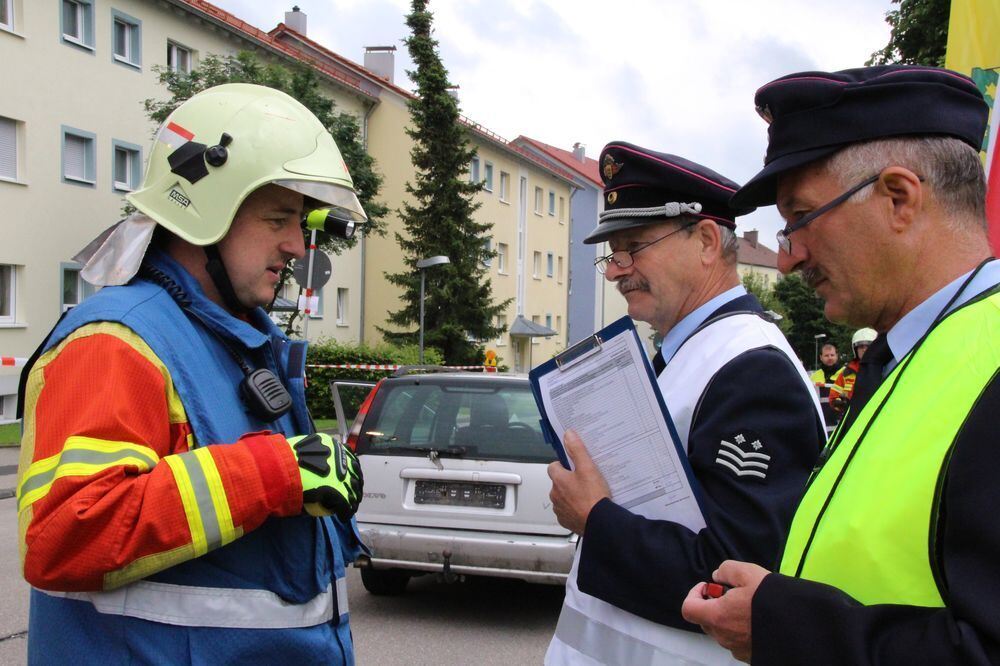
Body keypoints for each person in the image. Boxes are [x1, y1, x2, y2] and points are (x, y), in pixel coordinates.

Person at [16, 84, 370, 663]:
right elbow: (65, 534)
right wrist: (272, 474)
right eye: (278, 219)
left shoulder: (235, 337)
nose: (297, 246)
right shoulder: (117, 342)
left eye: (301, 221)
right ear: (203, 215)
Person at [681, 65, 1000, 665]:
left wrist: (784, 624)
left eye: (799, 218)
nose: (791, 257)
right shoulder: (908, 350)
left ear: (899, 198)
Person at [545, 141, 825, 664]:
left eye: (633, 246)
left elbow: (736, 571)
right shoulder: (690, 352)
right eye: (612, 252)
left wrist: (595, 517)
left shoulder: (751, 368)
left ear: (704, 240)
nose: (614, 270)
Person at [828, 328, 876, 413]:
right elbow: (833, 398)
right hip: (853, 418)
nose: (864, 350)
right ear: (855, 349)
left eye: (868, 346)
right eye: (861, 347)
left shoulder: (885, 369)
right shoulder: (847, 373)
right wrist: (840, 404)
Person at [810, 342, 841, 431]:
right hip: (822, 423)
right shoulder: (814, 376)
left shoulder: (845, 374)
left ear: (836, 356)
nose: (830, 358)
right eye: (826, 355)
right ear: (821, 357)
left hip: (840, 422)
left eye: (832, 355)